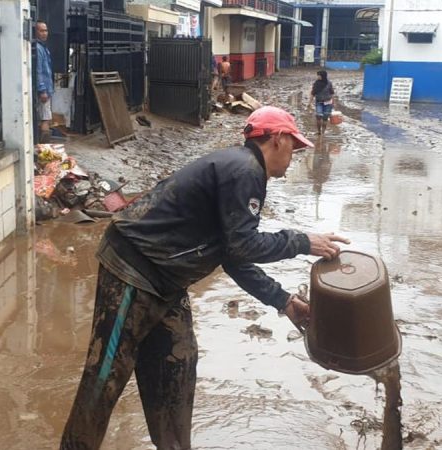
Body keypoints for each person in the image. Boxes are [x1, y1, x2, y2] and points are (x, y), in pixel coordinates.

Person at [60, 106, 351, 450]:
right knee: (107, 374)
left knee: (177, 367)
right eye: (294, 147)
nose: (294, 157)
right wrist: (303, 242)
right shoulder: (245, 169)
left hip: (167, 282)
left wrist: (284, 301)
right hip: (133, 268)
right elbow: (245, 245)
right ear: (277, 139)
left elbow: (232, 256)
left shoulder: (243, 171)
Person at [36, 21, 54, 144]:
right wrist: (42, 90)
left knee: (44, 118)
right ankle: (44, 149)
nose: (44, 33)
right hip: (44, 90)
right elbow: (39, 70)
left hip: (46, 88)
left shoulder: (42, 47)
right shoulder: (38, 48)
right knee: (45, 119)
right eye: (41, 30)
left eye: (46, 30)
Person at [307, 70, 336, 135]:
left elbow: (332, 93)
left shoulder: (329, 83)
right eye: (317, 75)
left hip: (328, 103)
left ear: (323, 76)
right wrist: (309, 102)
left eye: (319, 75)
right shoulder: (316, 83)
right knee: (318, 116)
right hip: (319, 102)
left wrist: (333, 102)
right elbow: (313, 93)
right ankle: (319, 131)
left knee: (325, 118)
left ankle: (323, 132)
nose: (318, 76)